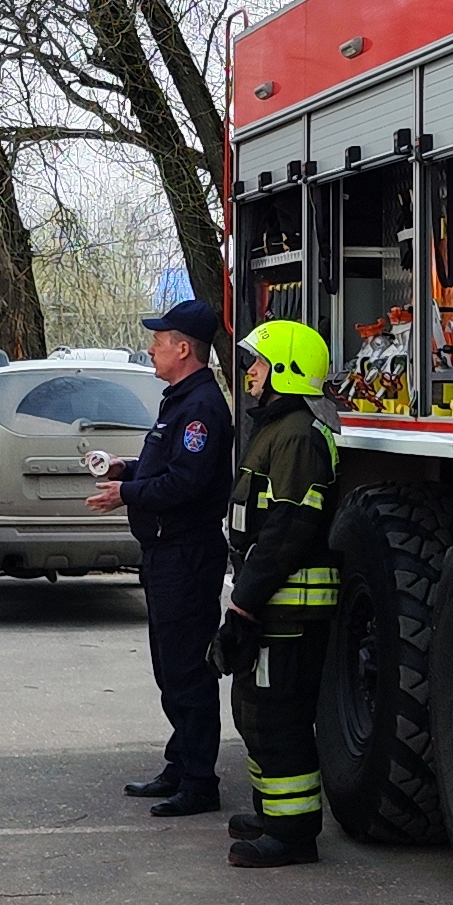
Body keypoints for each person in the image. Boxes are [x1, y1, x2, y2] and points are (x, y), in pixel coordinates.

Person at [87, 297, 237, 818]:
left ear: (183, 348)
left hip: (186, 553)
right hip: (166, 552)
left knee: (187, 669)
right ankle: (181, 761)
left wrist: (123, 495)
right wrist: (127, 468)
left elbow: (188, 482)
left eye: (158, 339)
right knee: (168, 667)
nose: (150, 347)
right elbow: (167, 464)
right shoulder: (180, 398)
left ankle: (199, 781)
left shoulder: (199, 407)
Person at [219, 319, 347, 868]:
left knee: (277, 715)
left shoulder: (296, 435)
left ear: (287, 372)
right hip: (270, 603)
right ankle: (274, 813)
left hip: (289, 610)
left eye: (260, 364)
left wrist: (245, 606)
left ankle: (293, 835)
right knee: (252, 708)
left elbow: (288, 532)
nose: (251, 372)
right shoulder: (278, 428)